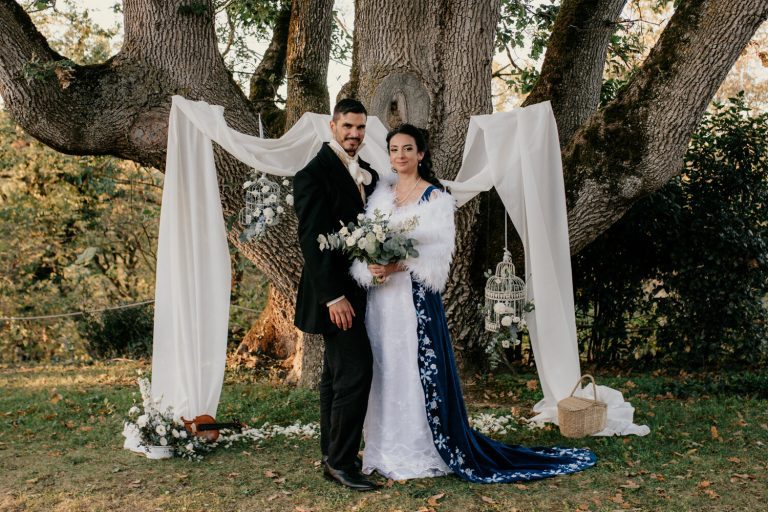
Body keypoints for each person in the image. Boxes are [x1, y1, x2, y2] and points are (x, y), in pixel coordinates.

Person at [350, 124, 597, 482]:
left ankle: (419, 449)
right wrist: (371, 265)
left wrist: (395, 263)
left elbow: (434, 254)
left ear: (421, 154)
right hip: (381, 301)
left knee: (411, 371)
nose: (399, 156)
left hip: (411, 300)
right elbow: (366, 239)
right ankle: (382, 448)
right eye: (393, 150)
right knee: (384, 368)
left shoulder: (435, 198)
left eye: (407, 149)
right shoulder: (381, 195)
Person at [293, 99, 380, 491]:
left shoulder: (367, 175)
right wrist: (333, 298)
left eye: (360, 128)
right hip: (333, 297)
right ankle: (343, 462)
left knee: (334, 375)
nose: (354, 134)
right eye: (347, 126)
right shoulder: (313, 174)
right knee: (356, 370)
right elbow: (311, 242)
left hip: (359, 291)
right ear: (332, 127)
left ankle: (332, 454)